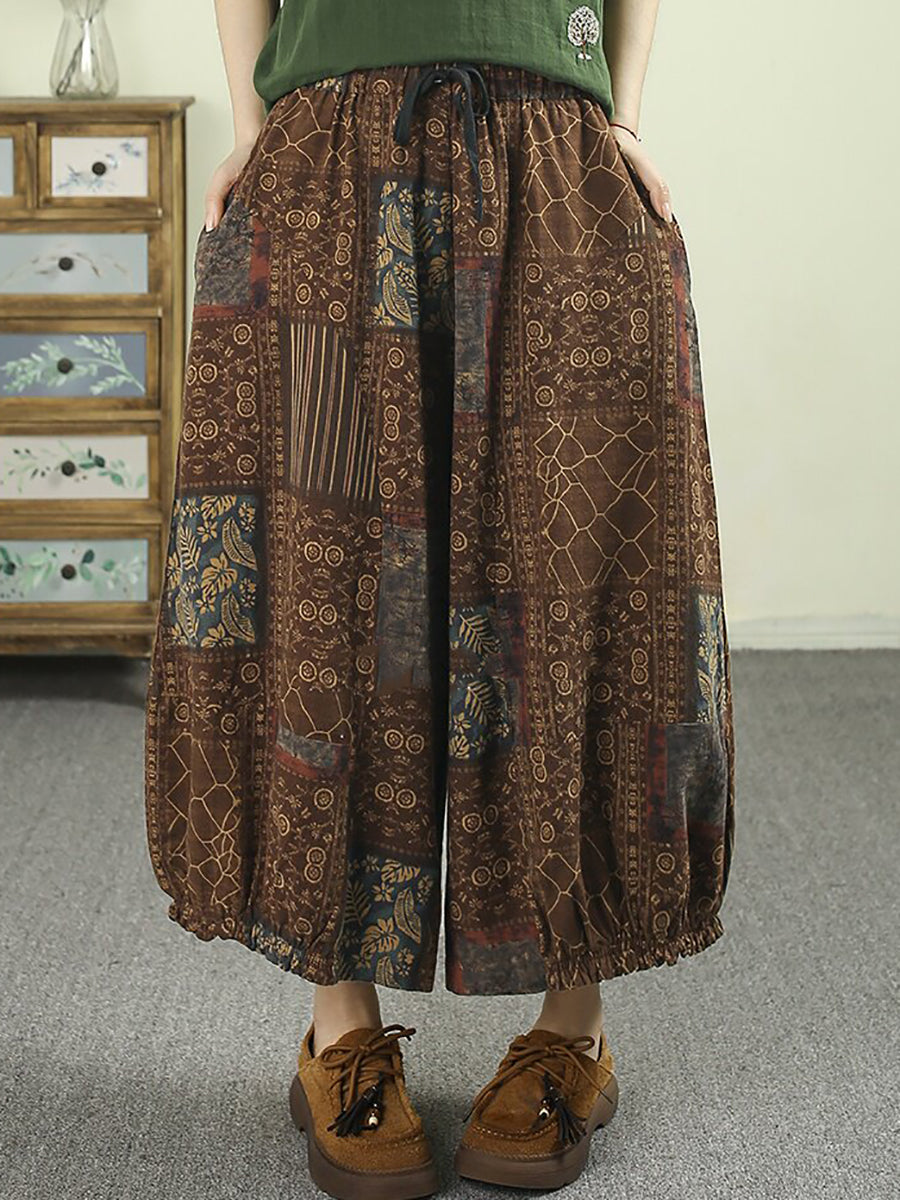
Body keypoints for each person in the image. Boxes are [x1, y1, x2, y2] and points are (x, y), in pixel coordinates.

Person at [144, 1, 736, 1196]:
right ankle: (339, 1026)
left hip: (556, 159)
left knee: (577, 591)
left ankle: (574, 1029)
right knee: (326, 587)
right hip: (325, 162)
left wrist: (621, 117)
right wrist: (254, 122)